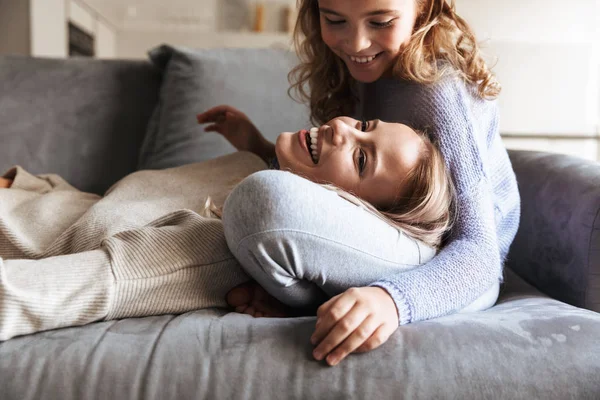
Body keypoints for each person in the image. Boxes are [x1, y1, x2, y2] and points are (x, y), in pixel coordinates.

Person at [197, 0, 520, 367]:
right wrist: (257, 146)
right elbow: (340, 179)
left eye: (380, 21)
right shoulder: (365, 69)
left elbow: (480, 252)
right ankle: (309, 299)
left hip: (462, 266)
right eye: (334, 19)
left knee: (272, 204)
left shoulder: (440, 92)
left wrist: (392, 301)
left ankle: (304, 301)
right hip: (396, 229)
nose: (357, 43)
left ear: (424, 9)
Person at [0, 116, 453, 341]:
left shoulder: (215, 248)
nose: (341, 128)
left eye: (360, 158)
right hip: (34, 195)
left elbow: (61, 289)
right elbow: (106, 208)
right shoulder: (254, 168)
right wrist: (29, 184)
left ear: (349, 214)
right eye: (365, 126)